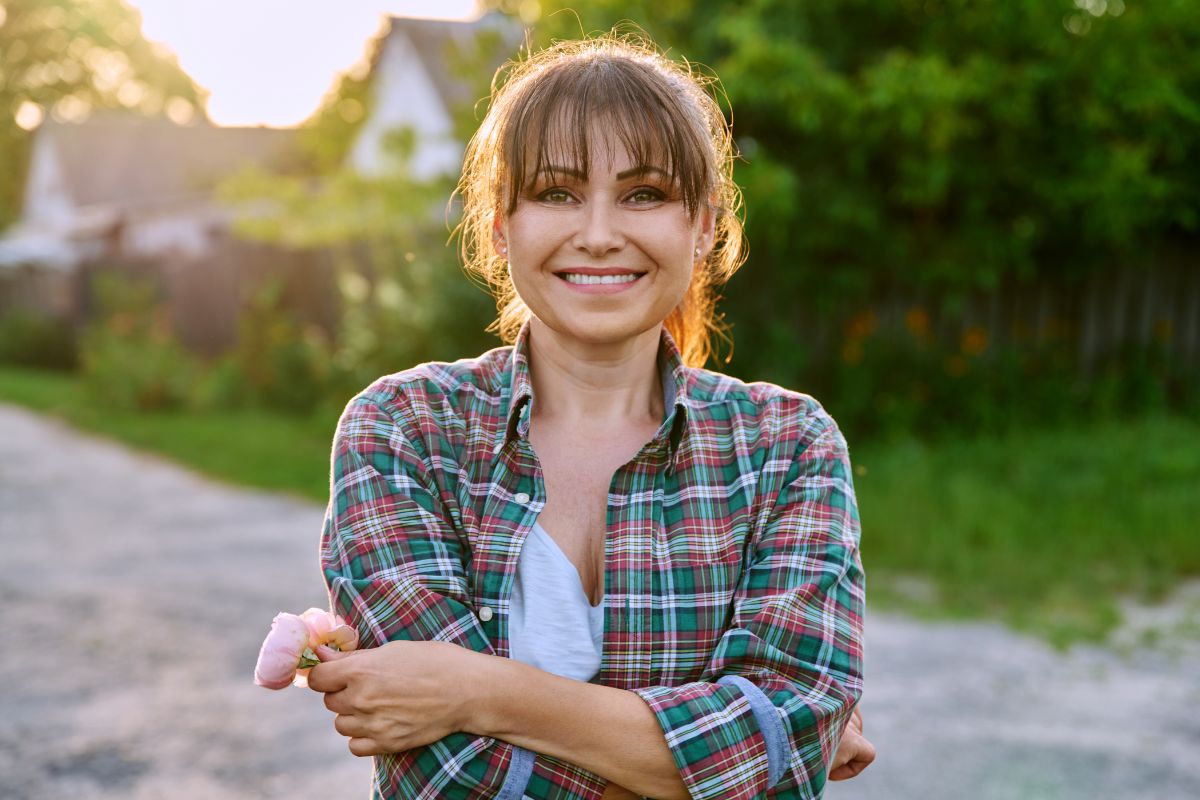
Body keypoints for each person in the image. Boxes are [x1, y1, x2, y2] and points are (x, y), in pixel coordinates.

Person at [306, 31, 873, 800]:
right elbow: (443, 776)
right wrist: (730, 756)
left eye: (644, 194)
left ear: (702, 226)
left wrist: (475, 693)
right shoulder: (403, 430)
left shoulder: (787, 447)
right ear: (501, 227)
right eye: (556, 192)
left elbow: (784, 739)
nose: (600, 234)